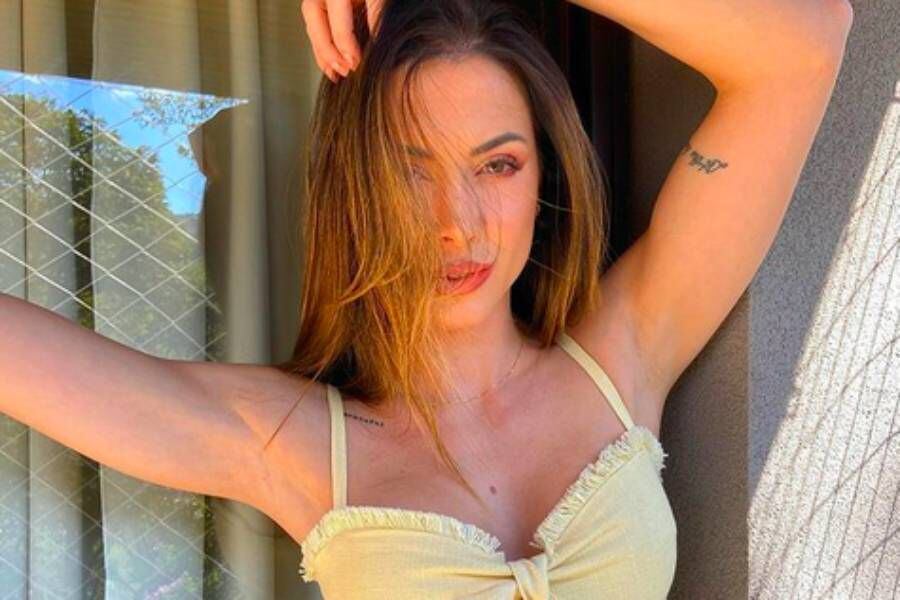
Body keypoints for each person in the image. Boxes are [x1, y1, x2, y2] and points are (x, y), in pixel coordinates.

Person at [0, 0, 852, 597]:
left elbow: (805, 46)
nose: (457, 224)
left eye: (498, 165)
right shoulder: (292, 442)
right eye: (410, 175)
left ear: (544, 175)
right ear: (357, 192)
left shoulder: (626, 350)